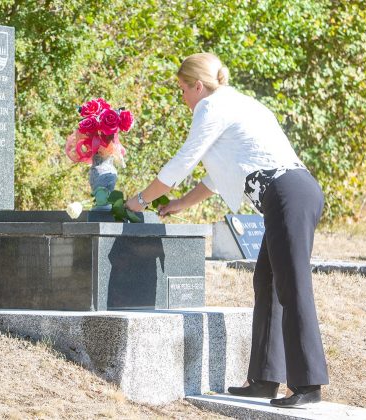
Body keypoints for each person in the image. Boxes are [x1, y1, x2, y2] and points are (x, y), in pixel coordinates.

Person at [125, 52, 328, 408]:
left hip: (287, 194)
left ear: (197, 86)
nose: (183, 98)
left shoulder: (211, 107)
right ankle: (264, 379)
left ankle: (308, 384)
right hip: (292, 193)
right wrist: (180, 204)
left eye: (182, 90)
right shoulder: (240, 104)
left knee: (292, 285)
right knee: (267, 282)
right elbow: (216, 179)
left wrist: (140, 199)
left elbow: (183, 161)